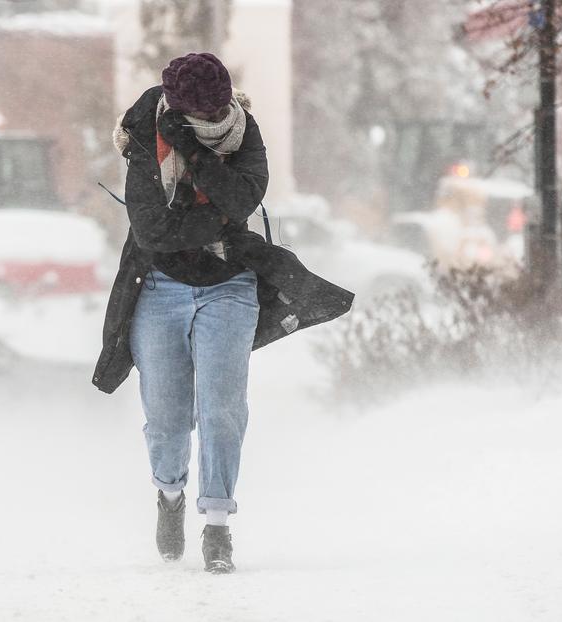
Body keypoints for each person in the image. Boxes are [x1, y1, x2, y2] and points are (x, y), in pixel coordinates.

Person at [93, 53, 355, 574]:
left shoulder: (244, 131)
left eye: (218, 114)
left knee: (222, 408)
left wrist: (193, 153)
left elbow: (241, 199)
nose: (214, 123)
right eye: (201, 119)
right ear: (178, 106)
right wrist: (219, 221)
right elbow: (153, 233)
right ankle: (169, 495)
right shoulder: (145, 134)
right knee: (167, 419)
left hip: (230, 287)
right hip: (159, 286)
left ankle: (217, 525)